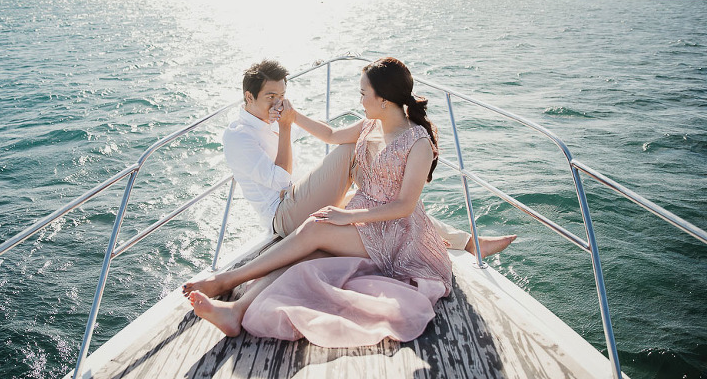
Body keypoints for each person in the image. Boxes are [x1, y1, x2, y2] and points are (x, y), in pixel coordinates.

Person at [182, 58, 511, 345]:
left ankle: (225, 281)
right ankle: (236, 310)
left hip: (393, 232)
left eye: (363, 93)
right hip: (365, 220)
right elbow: (331, 136)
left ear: (382, 99)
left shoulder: (418, 142)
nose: (360, 99)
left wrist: (346, 216)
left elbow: (406, 207)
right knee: (306, 251)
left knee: (314, 230)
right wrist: (293, 117)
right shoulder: (370, 124)